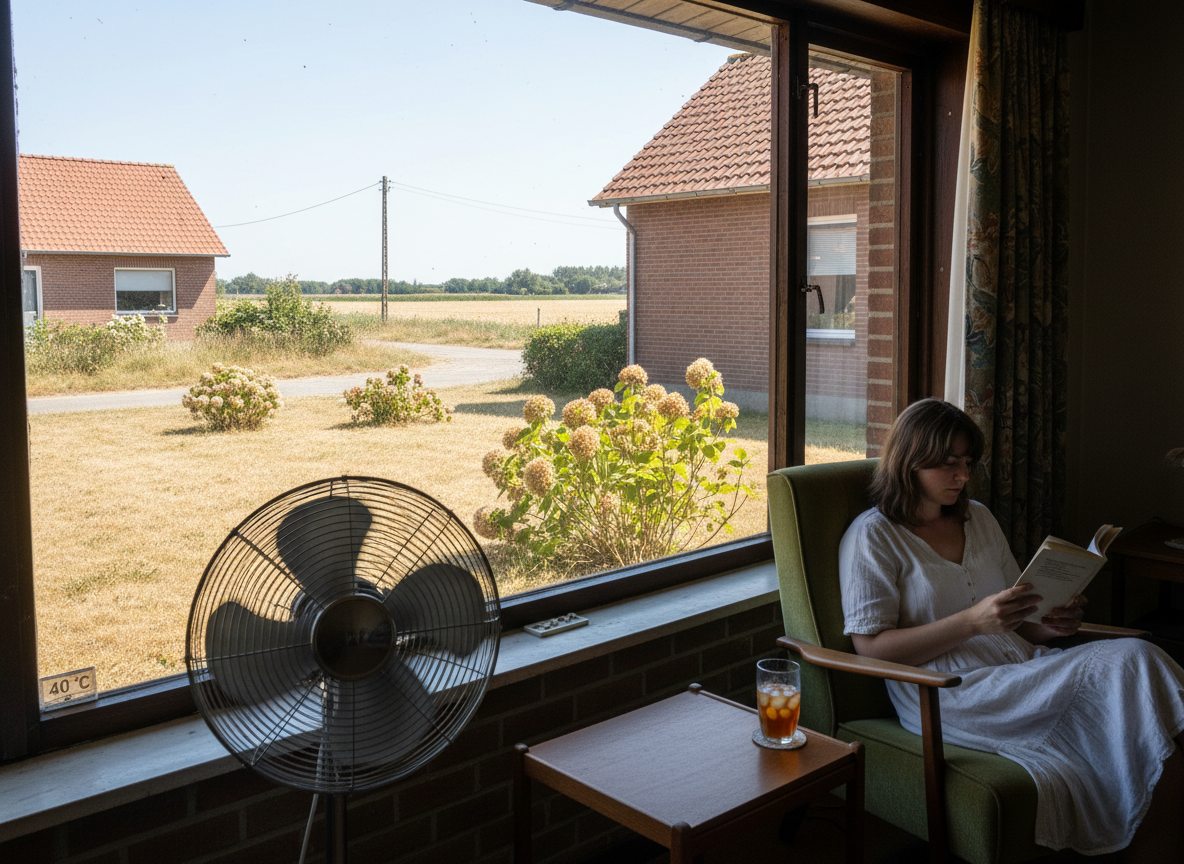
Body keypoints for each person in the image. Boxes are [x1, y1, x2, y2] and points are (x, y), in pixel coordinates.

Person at [839, 398, 1184, 859]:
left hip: (1022, 668)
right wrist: (971, 622)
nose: (962, 476)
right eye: (947, 464)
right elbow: (870, 652)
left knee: (1155, 738)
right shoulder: (874, 536)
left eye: (967, 463)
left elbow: (1016, 622)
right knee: (1136, 660)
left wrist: (1054, 623)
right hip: (949, 692)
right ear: (910, 461)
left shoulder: (977, 517)